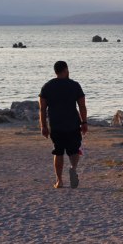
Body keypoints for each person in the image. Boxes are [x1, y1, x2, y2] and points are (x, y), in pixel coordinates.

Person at [39, 60, 88, 188]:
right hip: (73, 124)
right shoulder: (74, 85)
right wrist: (84, 122)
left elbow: (42, 109)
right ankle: (73, 168)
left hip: (56, 125)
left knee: (58, 152)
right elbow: (82, 106)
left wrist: (43, 126)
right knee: (74, 150)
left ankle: (59, 180)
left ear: (55, 71)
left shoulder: (47, 87)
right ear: (66, 70)